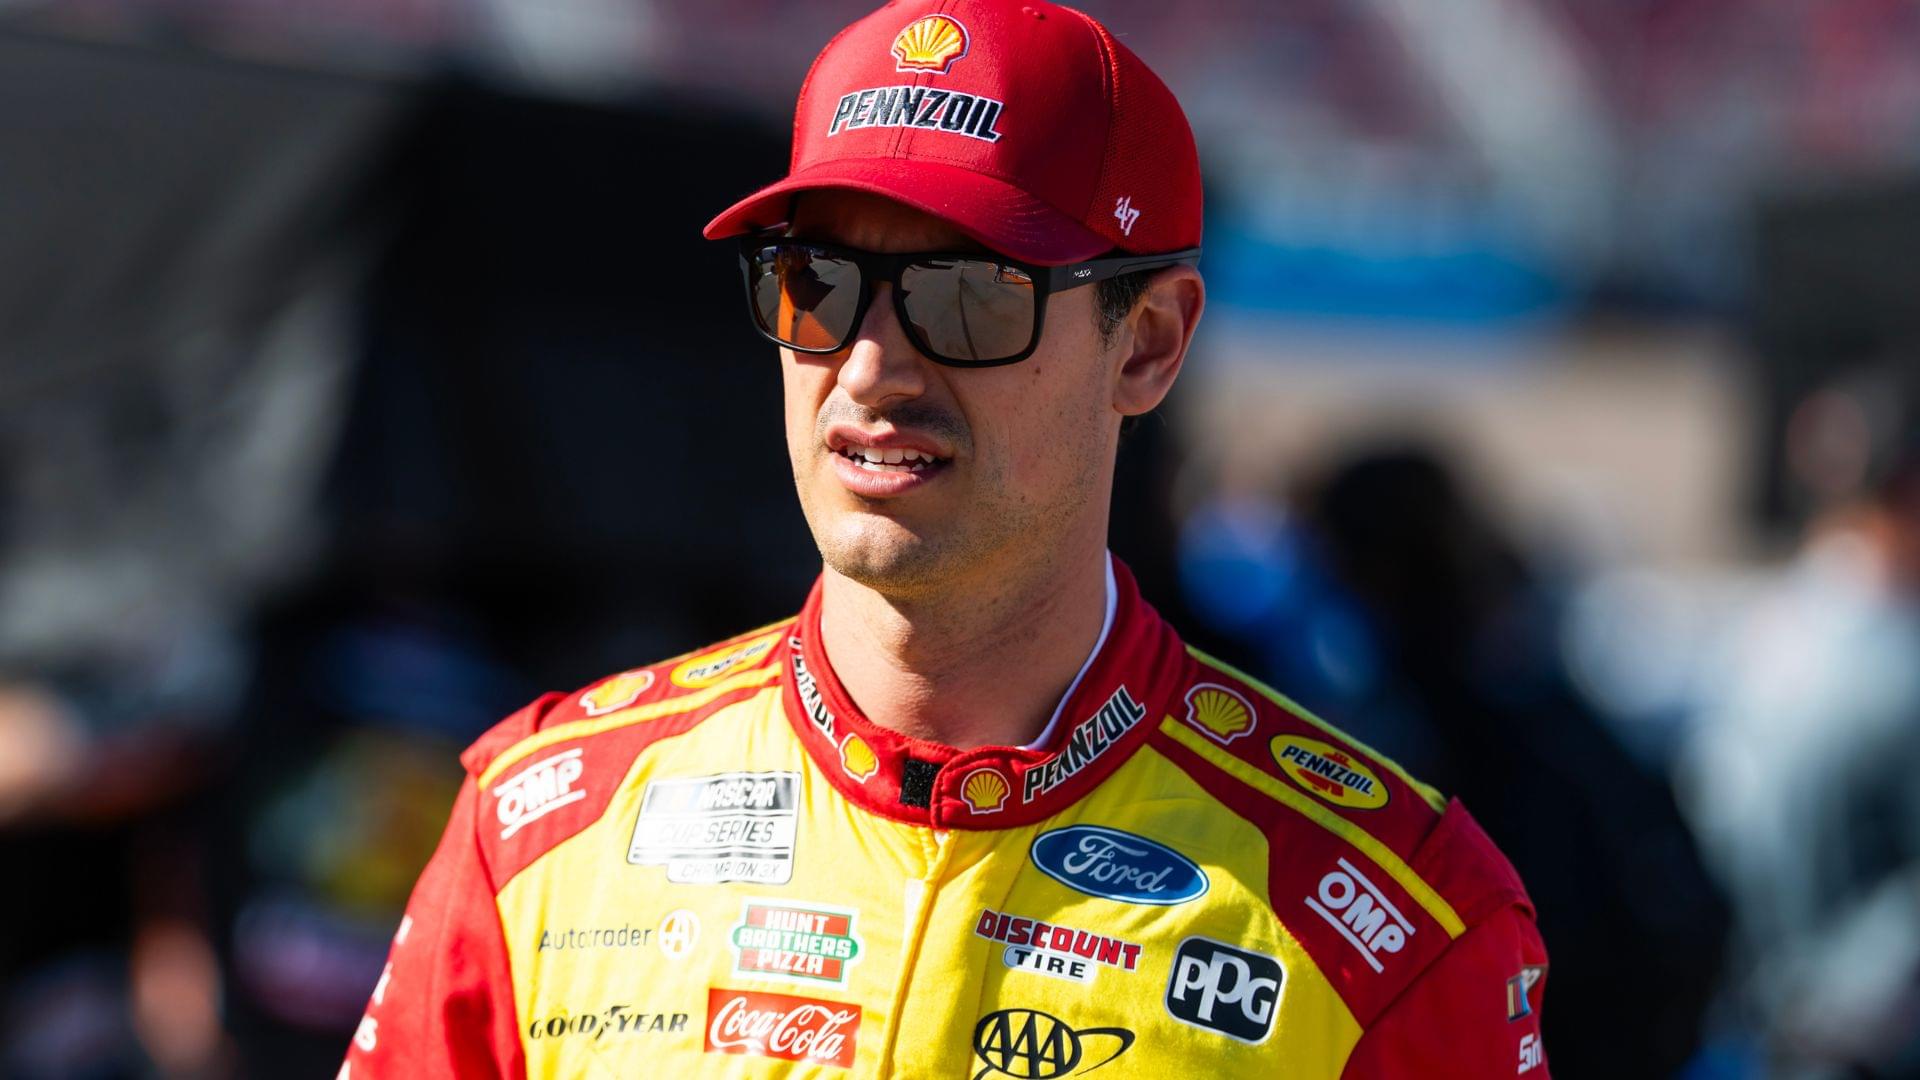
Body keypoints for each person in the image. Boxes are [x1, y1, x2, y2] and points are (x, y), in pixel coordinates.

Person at [339, 1, 1551, 1076]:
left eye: (967, 295)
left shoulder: (1399, 927)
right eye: (814, 283)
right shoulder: (543, 826)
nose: (868, 368)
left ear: (1147, 345)